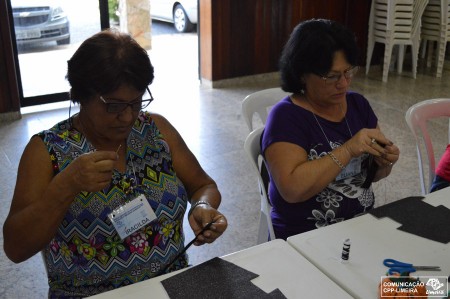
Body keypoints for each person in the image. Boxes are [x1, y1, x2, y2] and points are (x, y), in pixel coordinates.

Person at [3, 29, 227, 298]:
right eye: (114, 106)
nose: (128, 116)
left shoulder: (156, 130)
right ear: (81, 95)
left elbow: (203, 185)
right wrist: (66, 186)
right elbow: (15, 248)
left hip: (170, 286)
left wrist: (202, 206)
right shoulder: (47, 151)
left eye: (136, 102)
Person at [261, 19, 400, 240]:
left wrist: (384, 162)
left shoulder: (358, 106)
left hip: (360, 228)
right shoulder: (286, 117)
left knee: (404, 274)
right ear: (302, 74)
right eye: (332, 76)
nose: (344, 84)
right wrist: (347, 150)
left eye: (348, 72)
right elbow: (291, 190)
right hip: (304, 238)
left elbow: (373, 175)